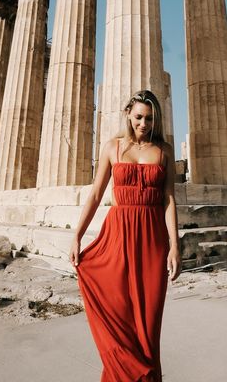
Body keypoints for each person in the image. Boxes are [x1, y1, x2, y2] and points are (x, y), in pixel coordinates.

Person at [69, 89, 181, 382]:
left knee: (148, 323)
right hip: (117, 237)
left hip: (153, 240)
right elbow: (95, 195)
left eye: (150, 118)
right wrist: (77, 236)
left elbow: (168, 199)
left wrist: (175, 246)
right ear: (129, 116)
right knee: (119, 314)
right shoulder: (112, 147)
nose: (144, 123)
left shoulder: (165, 151)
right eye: (139, 117)